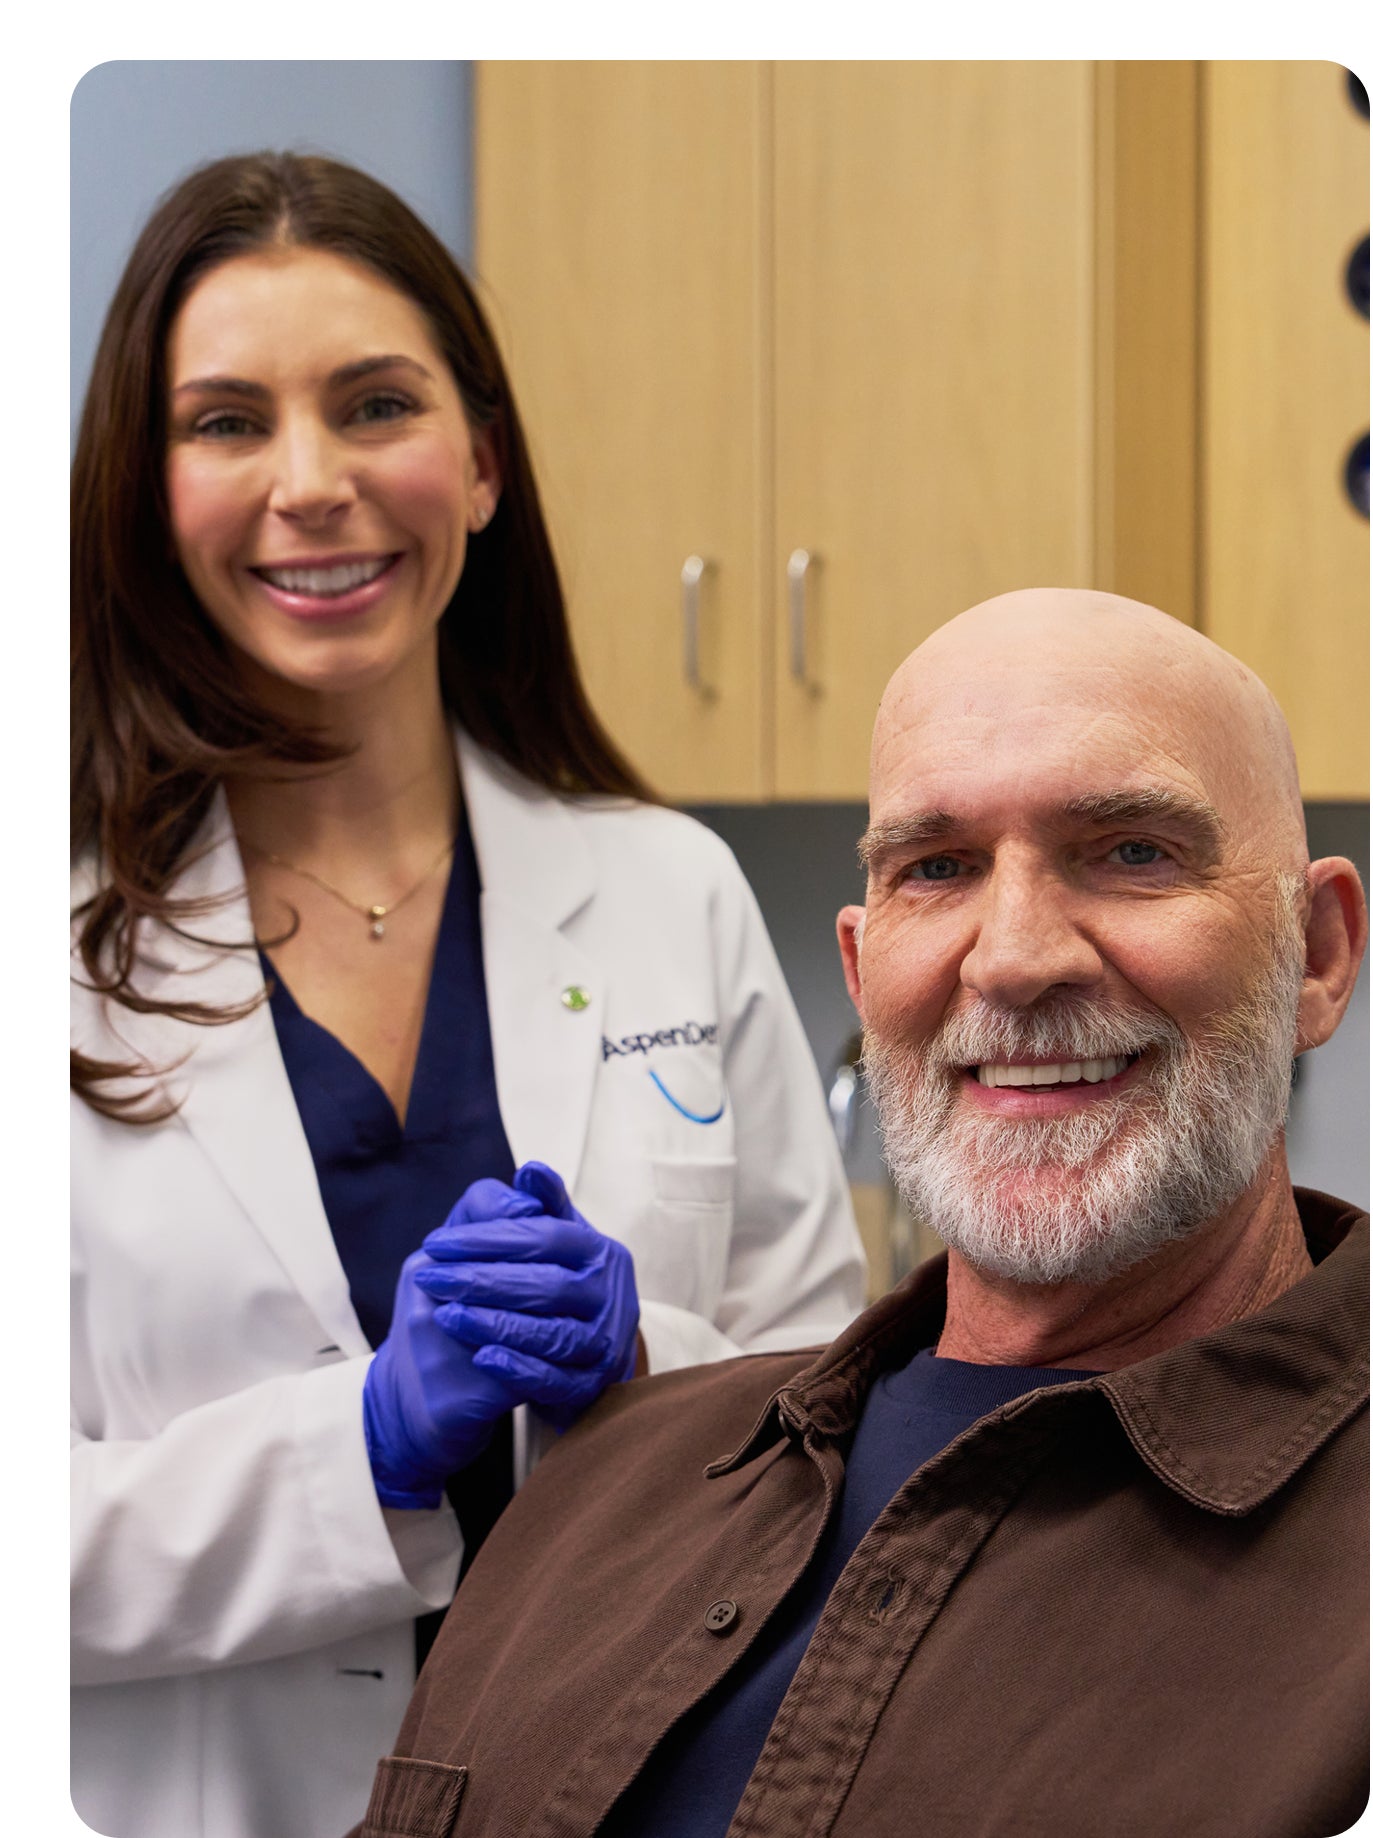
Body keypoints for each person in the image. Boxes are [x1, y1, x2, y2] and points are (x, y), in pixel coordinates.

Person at [70, 151, 864, 1838]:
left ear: (483, 463)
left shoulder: (669, 893)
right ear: (144, 492)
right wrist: (360, 1439)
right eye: (225, 422)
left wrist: (647, 1367)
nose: (312, 483)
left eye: (375, 406)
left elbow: (833, 1423)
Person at [359, 588, 1369, 1838]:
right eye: (937, 867)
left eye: (1132, 851)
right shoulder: (593, 1493)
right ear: (859, 966)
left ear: (1318, 950)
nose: (1011, 956)